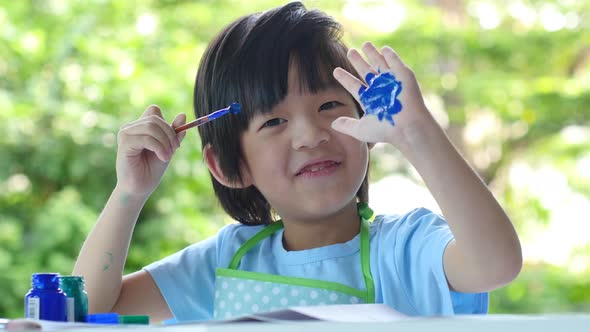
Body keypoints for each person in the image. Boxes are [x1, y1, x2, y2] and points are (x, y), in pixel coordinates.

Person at [73, 1, 522, 323]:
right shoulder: (229, 261)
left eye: (329, 106)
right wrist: (129, 194)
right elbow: (88, 309)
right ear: (229, 167)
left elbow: (496, 264)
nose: (311, 135)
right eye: (274, 122)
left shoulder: (405, 247)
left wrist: (420, 135)